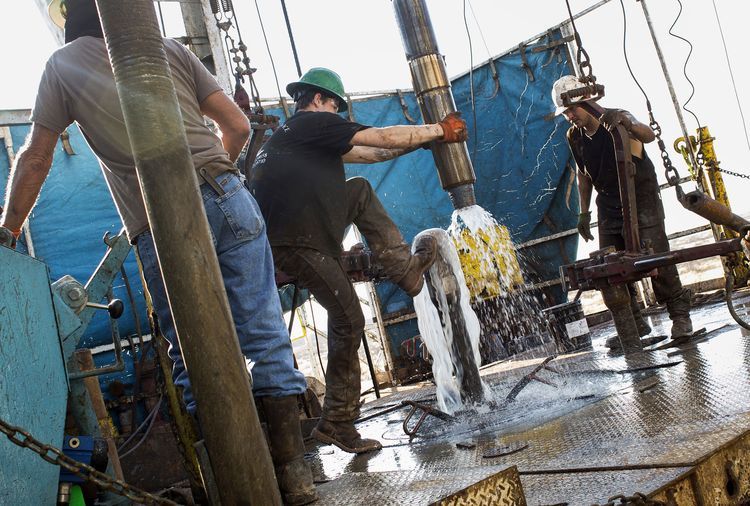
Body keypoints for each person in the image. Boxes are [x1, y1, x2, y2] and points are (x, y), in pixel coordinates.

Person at [0, 1, 317, 504]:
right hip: (230, 194)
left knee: (194, 354)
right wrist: (215, 179)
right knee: (264, 333)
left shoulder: (61, 67)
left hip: (163, 219)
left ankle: (232, 487)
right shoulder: (170, 49)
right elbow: (236, 125)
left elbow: (37, 157)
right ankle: (296, 481)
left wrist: (8, 231)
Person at [248, 67, 467, 454]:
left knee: (360, 191)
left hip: (296, 235)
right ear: (317, 100)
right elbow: (380, 136)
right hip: (298, 243)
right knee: (350, 318)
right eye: (335, 106)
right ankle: (337, 424)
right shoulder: (312, 126)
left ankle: (407, 271)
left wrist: (421, 143)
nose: (339, 114)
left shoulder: (297, 136)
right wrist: (439, 130)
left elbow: (375, 152)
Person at [551, 75, 693, 342]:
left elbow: (647, 135)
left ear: (587, 101)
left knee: (656, 257)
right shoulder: (575, 136)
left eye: (573, 109)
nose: (570, 116)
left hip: (641, 197)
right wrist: (584, 213)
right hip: (608, 203)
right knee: (610, 266)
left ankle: (680, 315)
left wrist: (628, 123)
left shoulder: (616, 117)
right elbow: (584, 175)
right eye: (565, 112)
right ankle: (634, 324)